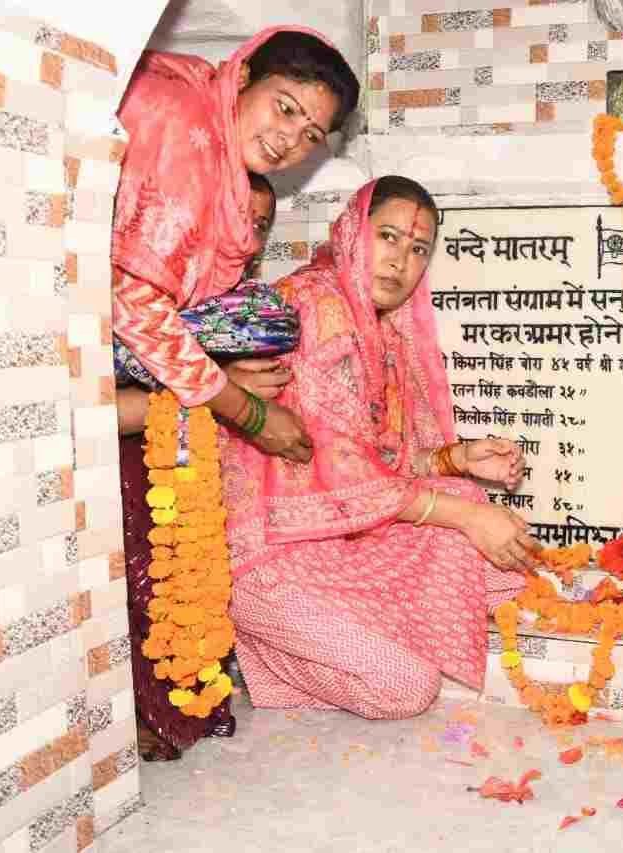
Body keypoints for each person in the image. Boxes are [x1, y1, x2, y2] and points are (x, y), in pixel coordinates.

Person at [221, 176, 539, 720]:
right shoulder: (316, 304)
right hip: (266, 559)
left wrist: (457, 459)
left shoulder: (381, 331)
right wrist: (466, 516)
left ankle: (358, 634)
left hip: (329, 542)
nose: (400, 261)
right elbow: (339, 466)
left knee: (470, 508)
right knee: (406, 688)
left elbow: (387, 462)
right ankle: (267, 648)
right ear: (352, 232)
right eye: (388, 237)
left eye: (418, 249)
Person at [111, 25, 359, 461]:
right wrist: (249, 413)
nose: (289, 139)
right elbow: (136, 304)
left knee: (271, 319)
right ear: (243, 75)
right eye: (285, 108)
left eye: (311, 136)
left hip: (110, 334)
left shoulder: (217, 152)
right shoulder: (186, 125)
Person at [116, 172, 287, 761]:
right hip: (122, 456)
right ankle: (130, 709)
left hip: (198, 468)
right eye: (236, 217)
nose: (248, 236)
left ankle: (188, 695)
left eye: (260, 224)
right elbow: (92, 407)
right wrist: (215, 390)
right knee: (140, 560)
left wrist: (221, 393)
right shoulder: (136, 287)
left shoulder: (245, 310)